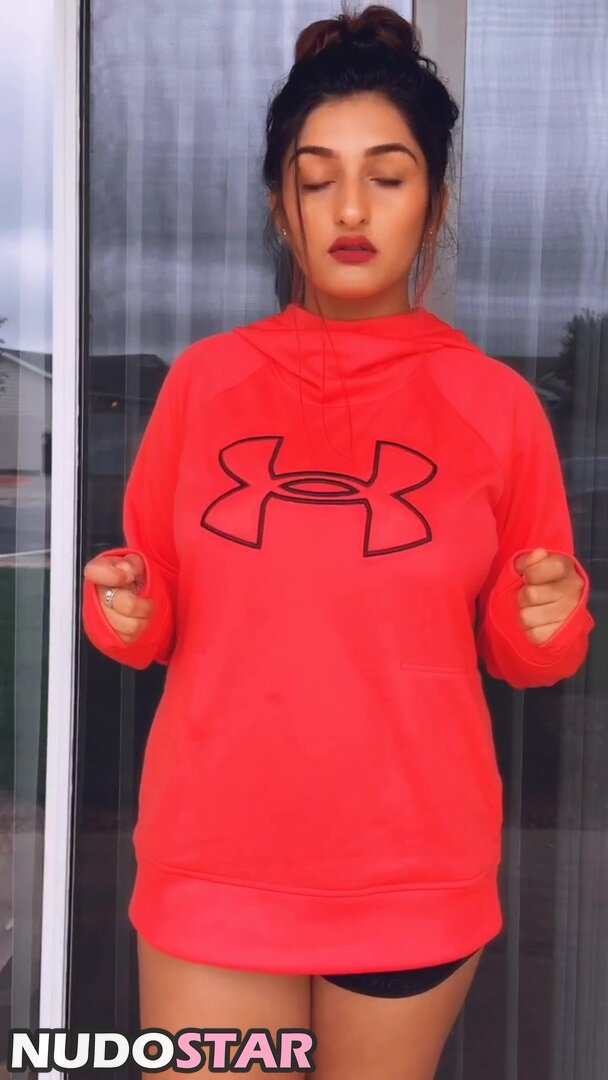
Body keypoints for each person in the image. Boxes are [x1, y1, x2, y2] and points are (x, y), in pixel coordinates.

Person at [81, 4, 596, 1077]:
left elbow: (525, 655)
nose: (350, 208)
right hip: (216, 858)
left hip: (411, 866)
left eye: (387, 177)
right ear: (281, 207)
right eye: (315, 181)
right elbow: (152, 612)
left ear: (435, 202)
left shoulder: (496, 408)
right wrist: (123, 602)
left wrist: (547, 617)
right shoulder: (205, 385)